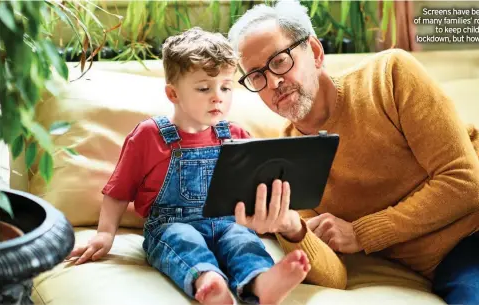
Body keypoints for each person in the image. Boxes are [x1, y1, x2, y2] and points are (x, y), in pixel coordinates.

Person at [227, 1, 479, 304]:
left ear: (314, 51)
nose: (272, 83)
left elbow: (466, 184)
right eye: (257, 75)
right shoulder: (289, 164)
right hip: (452, 256)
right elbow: (335, 276)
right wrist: (291, 227)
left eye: (280, 61)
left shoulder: (389, 74)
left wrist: (361, 232)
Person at [66, 27, 310, 305]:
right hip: (171, 223)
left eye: (226, 87)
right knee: (183, 240)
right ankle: (208, 281)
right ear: (173, 94)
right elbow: (119, 190)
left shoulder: (235, 136)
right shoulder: (149, 135)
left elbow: (252, 190)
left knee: (243, 241)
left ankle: (261, 280)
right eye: (204, 88)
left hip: (228, 222)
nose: (218, 96)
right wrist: (105, 234)